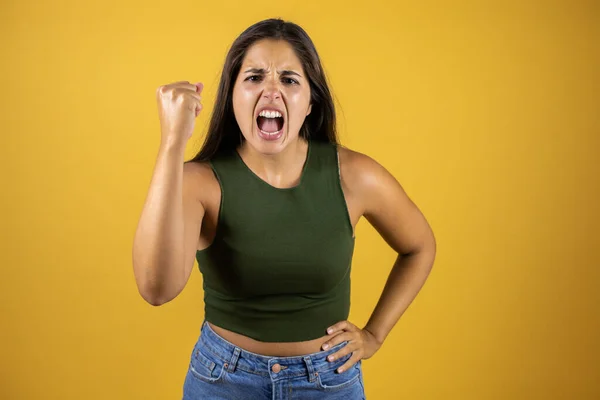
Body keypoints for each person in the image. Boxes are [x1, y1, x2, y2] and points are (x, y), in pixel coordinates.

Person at [132, 18, 436, 400]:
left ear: (310, 103)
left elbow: (419, 246)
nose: (271, 90)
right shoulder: (199, 181)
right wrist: (172, 143)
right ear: (232, 96)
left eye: (290, 80)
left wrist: (374, 334)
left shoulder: (355, 176)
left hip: (329, 381)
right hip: (223, 381)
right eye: (255, 77)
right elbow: (156, 289)